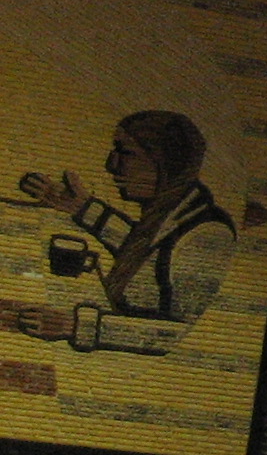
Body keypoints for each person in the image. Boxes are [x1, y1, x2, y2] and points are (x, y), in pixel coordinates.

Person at [4, 111, 233, 356]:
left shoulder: (208, 236)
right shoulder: (175, 213)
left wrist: (74, 326)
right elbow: (146, 251)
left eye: (126, 153)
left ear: (166, 165)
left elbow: (178, 333)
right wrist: (82, 207)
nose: (112, 165)